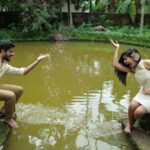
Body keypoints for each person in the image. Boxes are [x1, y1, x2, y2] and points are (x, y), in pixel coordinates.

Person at [0, 40, 49, 128]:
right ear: (2, 51)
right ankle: (8, 118)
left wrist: (37, 60)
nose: (12, 54)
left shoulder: (4, 65)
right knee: (10, 95)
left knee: (19, 90)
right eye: (10, 51)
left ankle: (4, 110)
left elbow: (23, 72)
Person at [110, 39, 150, 134]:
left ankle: (134, 122)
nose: (124, 61)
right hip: (143, 93)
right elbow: (115, 64)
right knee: (132, 105)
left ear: (133, 57)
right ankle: (130, 125)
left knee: (138, 113)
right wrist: (117, 48)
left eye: (126, 58)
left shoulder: (146, 63)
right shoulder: (133, 70)